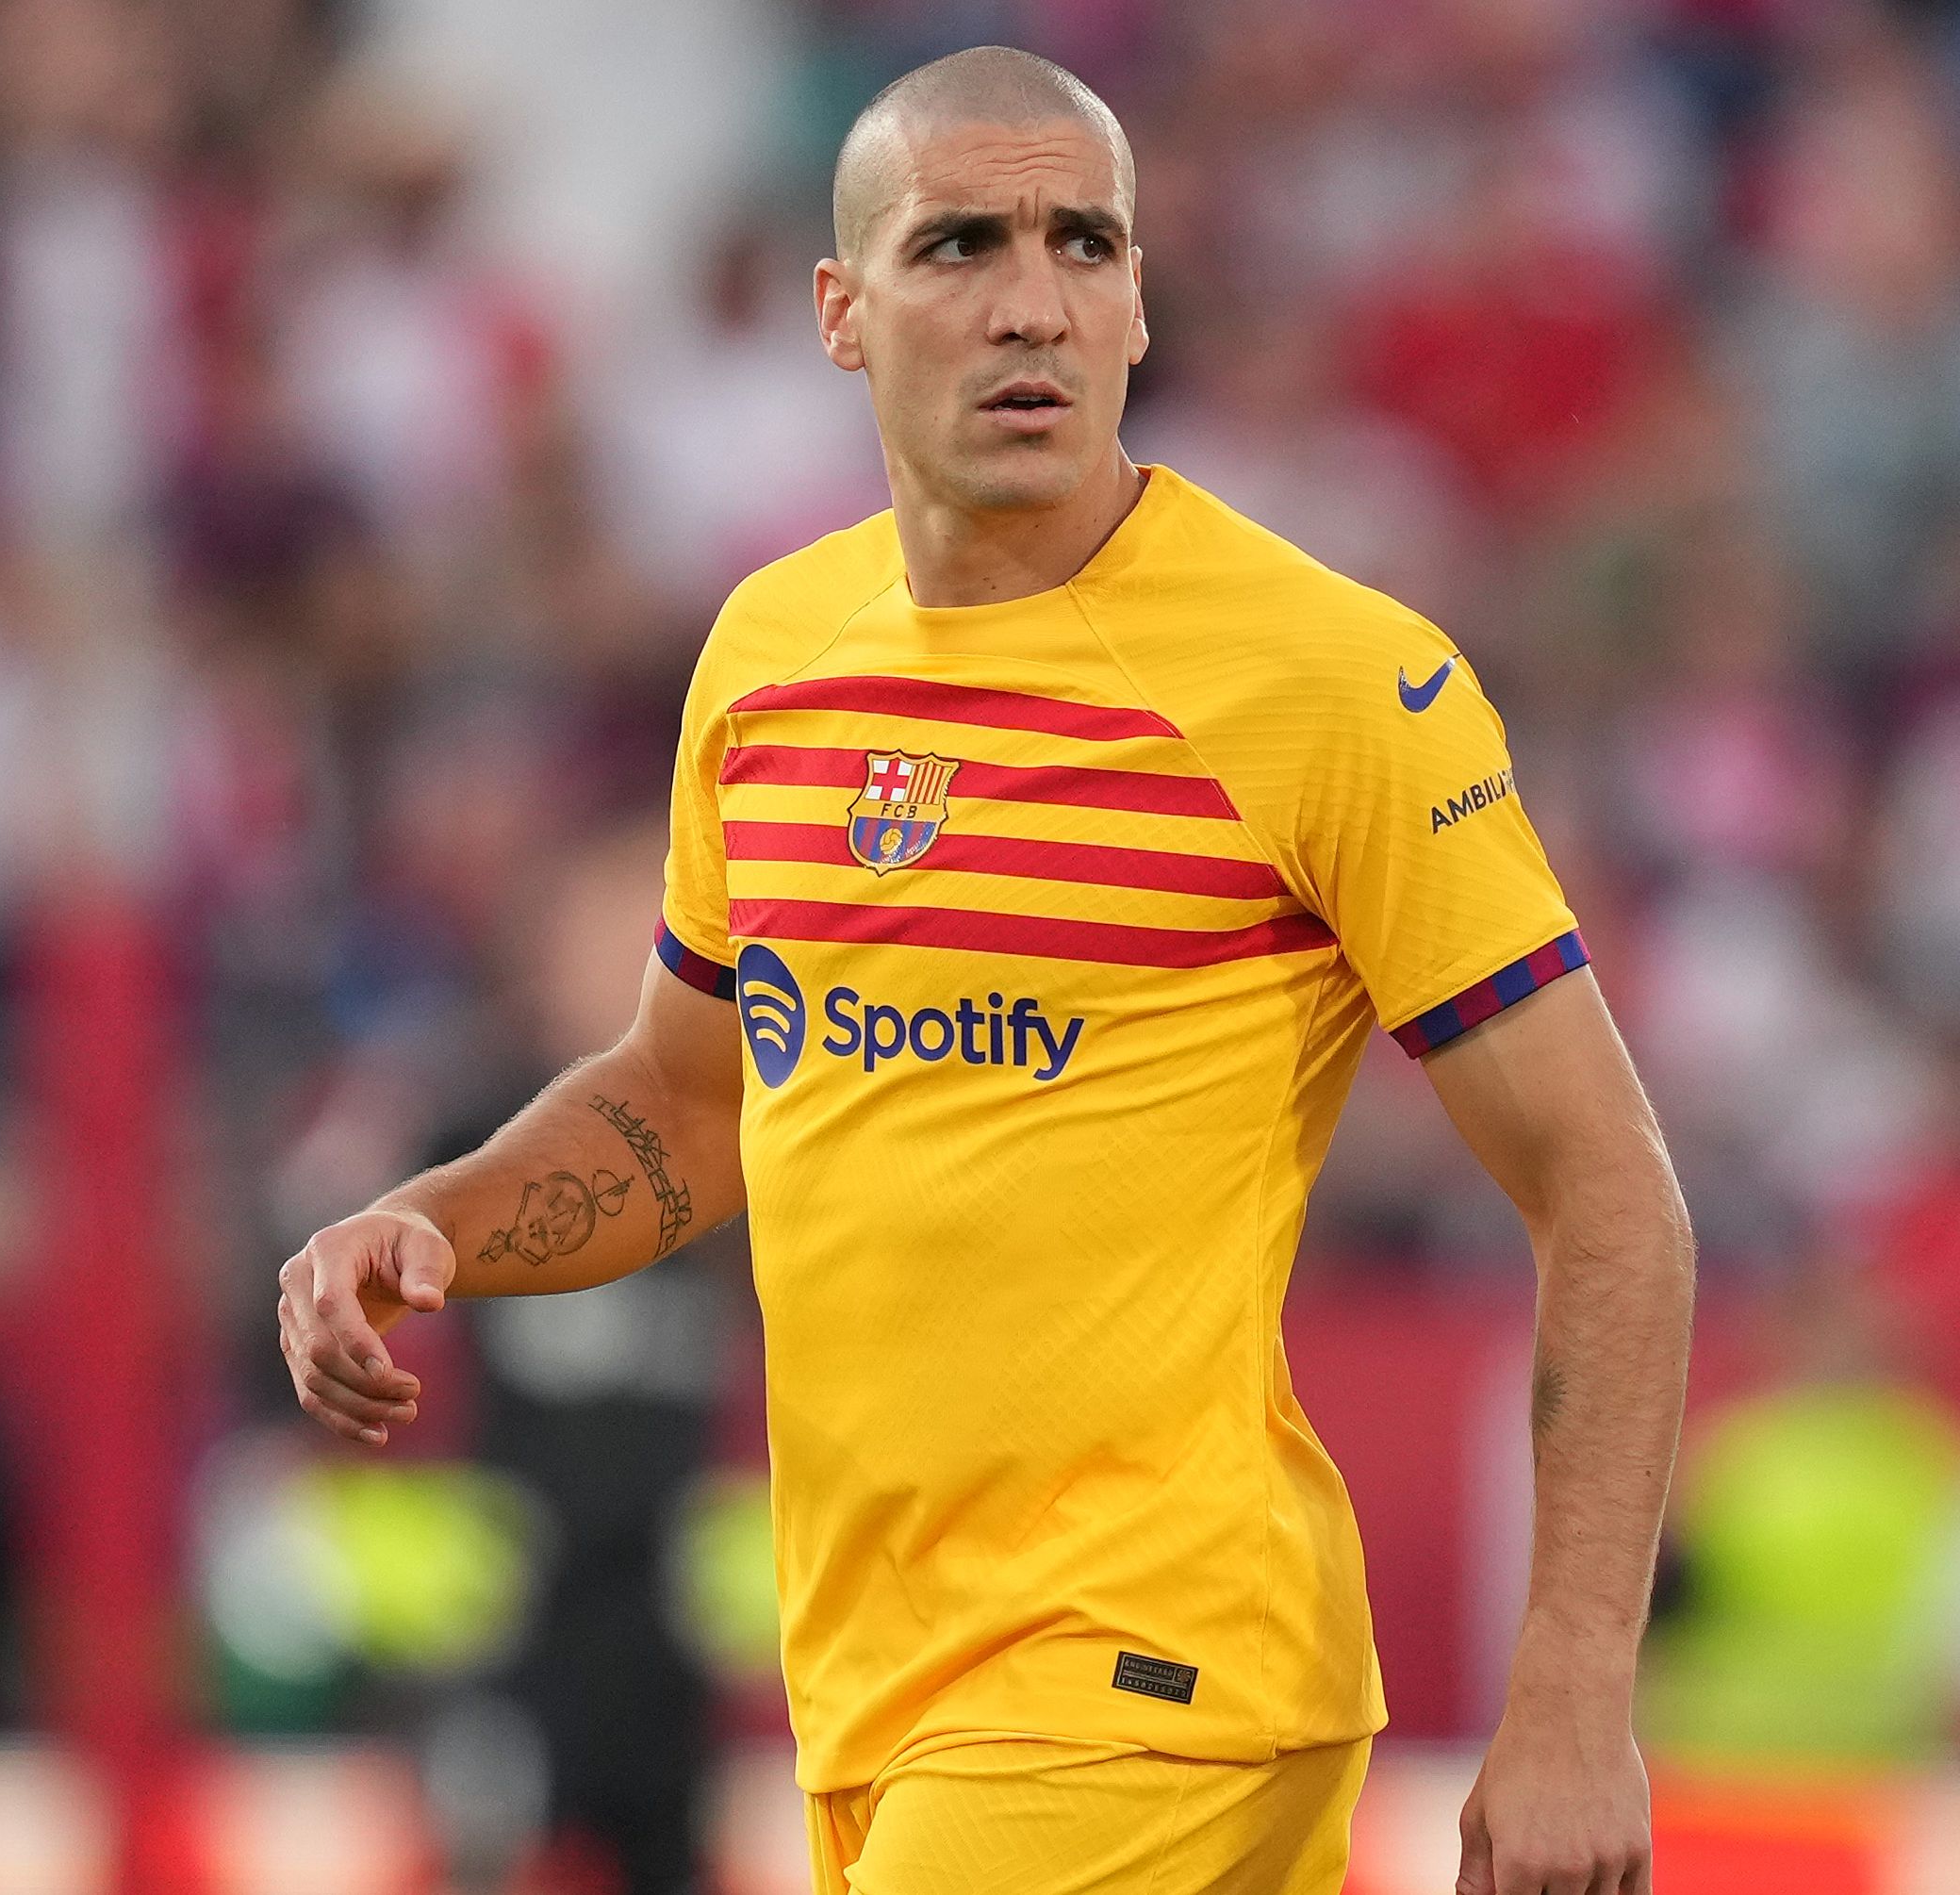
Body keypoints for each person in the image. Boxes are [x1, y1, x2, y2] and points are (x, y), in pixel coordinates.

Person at [277, 46, 1694, 1895]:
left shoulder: (1330, 682)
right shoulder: (770, 657)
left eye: (1081, 244)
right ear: (838, 312)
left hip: (1146, 1673)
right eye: (960, 245)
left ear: (1137, 304)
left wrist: (1574, 1691)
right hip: (880, 1699)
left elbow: (1608, 1193)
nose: (1034, 301)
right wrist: (439, 1224)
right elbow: (689, 1104)